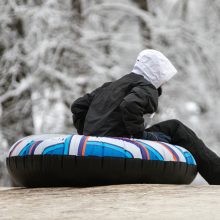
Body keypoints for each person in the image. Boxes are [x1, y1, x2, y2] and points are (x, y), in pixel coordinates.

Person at [71, 49, 220, 184]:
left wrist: (88, 133)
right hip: (120, 141)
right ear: (156, 74)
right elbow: (130, 104)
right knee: (176, 128)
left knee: (167, 128)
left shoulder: (110, 86)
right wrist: (139, 135)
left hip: (92, 143)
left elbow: (78, 106)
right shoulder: (146, 86)